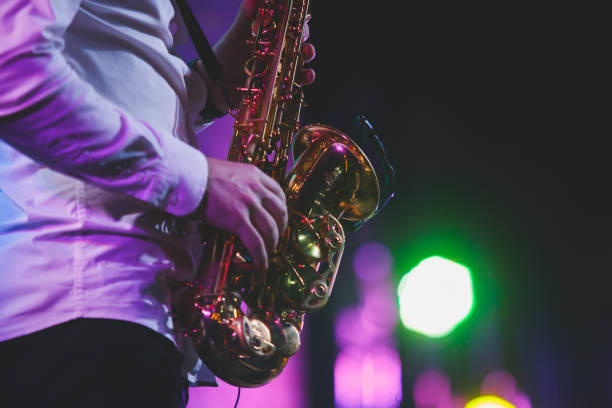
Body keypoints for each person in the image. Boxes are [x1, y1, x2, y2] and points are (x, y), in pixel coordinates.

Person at [0, 0, 315, 407]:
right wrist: (199, 180)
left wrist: (206, 90)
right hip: (82, 312)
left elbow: (111, 66)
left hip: (121, 320)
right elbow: (13, 72)